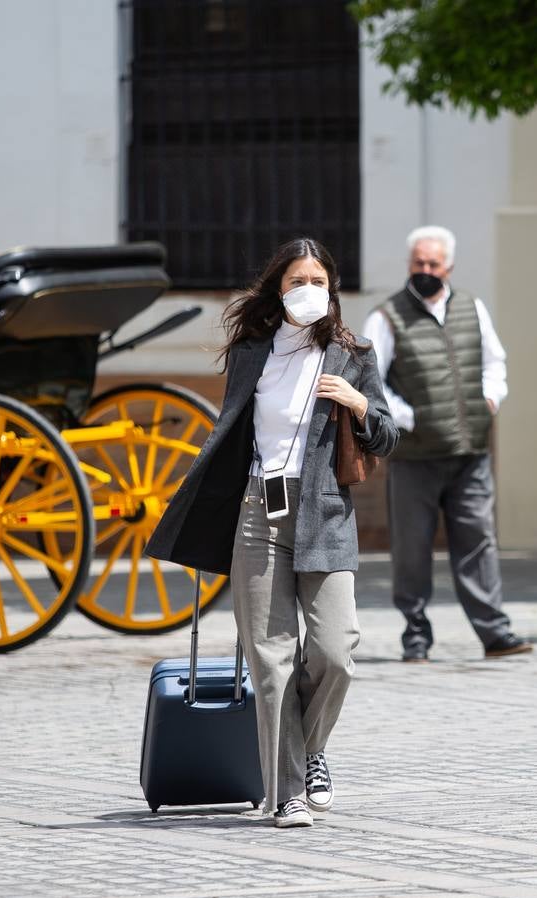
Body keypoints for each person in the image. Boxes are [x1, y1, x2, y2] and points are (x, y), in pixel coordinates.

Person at [146, 238, 397, 828]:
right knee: (270, 658)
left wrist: (359, 403)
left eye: (317, 280)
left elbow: (386, 436)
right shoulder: (252, 352)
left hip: (325, 511)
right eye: (295, 282)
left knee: (337, 651)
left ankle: (312, 751)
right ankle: (285, 792)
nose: (307, 290)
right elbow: (230, 433)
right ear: (278, 291)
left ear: (331, 288)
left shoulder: (353, 353)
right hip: (259, 510)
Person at [361, 226, 532, 663]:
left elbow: (495, 361)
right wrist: (409, 418)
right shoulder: (387, 316)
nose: (425, 270)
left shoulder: (472, 307)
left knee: (478, 541)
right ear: (409, 265)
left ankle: (495, 633)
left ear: (449, 267)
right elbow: (370, 380)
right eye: (418, 263)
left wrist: (492, 396)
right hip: (415, 456)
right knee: (412, 550)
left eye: (433, 264)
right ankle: (415, 637)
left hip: (469, 452)